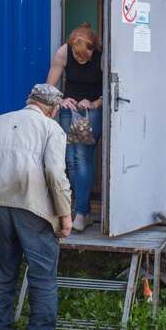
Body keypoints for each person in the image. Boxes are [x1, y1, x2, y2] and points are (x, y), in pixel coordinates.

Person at [0, 83, 73, 330]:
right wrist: (65, 214)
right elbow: (54, 172)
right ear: (52, 108)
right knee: (42, 272)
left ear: (30, 101)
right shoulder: (52, 129)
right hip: (32, 206)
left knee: (1, 267)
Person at [46, 23, 103, 232]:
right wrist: (60, 100)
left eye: (83, 57)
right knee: (69, 159)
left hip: (91, 110)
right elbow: (50, 86)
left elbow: (114, 87)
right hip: (69, 109)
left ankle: (80, 213)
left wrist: (94, 103)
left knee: (81, 156)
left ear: (92, 50)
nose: (79, 60)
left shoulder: (102, 56)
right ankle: (82, 211)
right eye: (76, 57)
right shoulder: (64, 52)